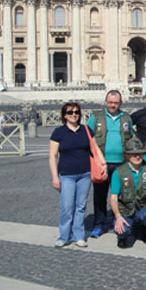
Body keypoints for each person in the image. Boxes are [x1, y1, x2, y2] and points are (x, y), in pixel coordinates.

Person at [49, 102, 107, 248]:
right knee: (67, 206)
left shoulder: (86, 130)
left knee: (80, 207)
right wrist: (55, 177)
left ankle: (79, 235)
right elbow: (52, 156)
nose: (73, 115)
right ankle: (64, 236)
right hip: (66, 174)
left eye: (76, 112)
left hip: (85, 174)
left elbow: (95, 149)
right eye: (70, 112)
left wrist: (103, 164)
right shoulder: (58, 132)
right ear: (64, 115)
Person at [87, 90, 133, 238]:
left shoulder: (126, 118)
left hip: (122, 164)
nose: (113, 105)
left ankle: (118, 220)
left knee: (121, 195)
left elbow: (131, 138)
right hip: (102, 164)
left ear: (121, 103)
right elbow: (88, 139)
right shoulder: (96, 117)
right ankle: (99, 224)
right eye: (110, 102)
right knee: (100, 195)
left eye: (116, 103)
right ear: (106, 102)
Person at [110, 137, 146, 248]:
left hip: (143, 208)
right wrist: (118, 216)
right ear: (127, 155)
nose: (138, 157)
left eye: (140, 154)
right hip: (125, 210)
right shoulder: (119, 172)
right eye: (134, 154)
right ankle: (132, 231)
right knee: (122, 232)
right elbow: (113, 198)